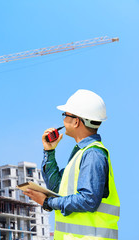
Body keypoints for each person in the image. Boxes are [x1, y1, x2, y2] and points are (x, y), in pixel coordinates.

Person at [23, 89, 120, 240]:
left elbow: (88, 200)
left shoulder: (93, 154)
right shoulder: (81, 153)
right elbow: (57, 188)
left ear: (76, 121)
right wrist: (49, 152)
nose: (63, 120)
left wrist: (48, 202)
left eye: (65, 115)